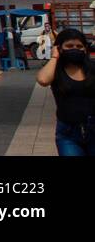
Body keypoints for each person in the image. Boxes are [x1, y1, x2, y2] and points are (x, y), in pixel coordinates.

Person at [36, 28, 95, 156]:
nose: (75, 49)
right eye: (69, 46)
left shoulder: (92, 69)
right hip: (68, 133)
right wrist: (54, 56)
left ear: (85, 49)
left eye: (79, 46)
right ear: (59, 48)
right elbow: (43, 80)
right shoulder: (56, 71)